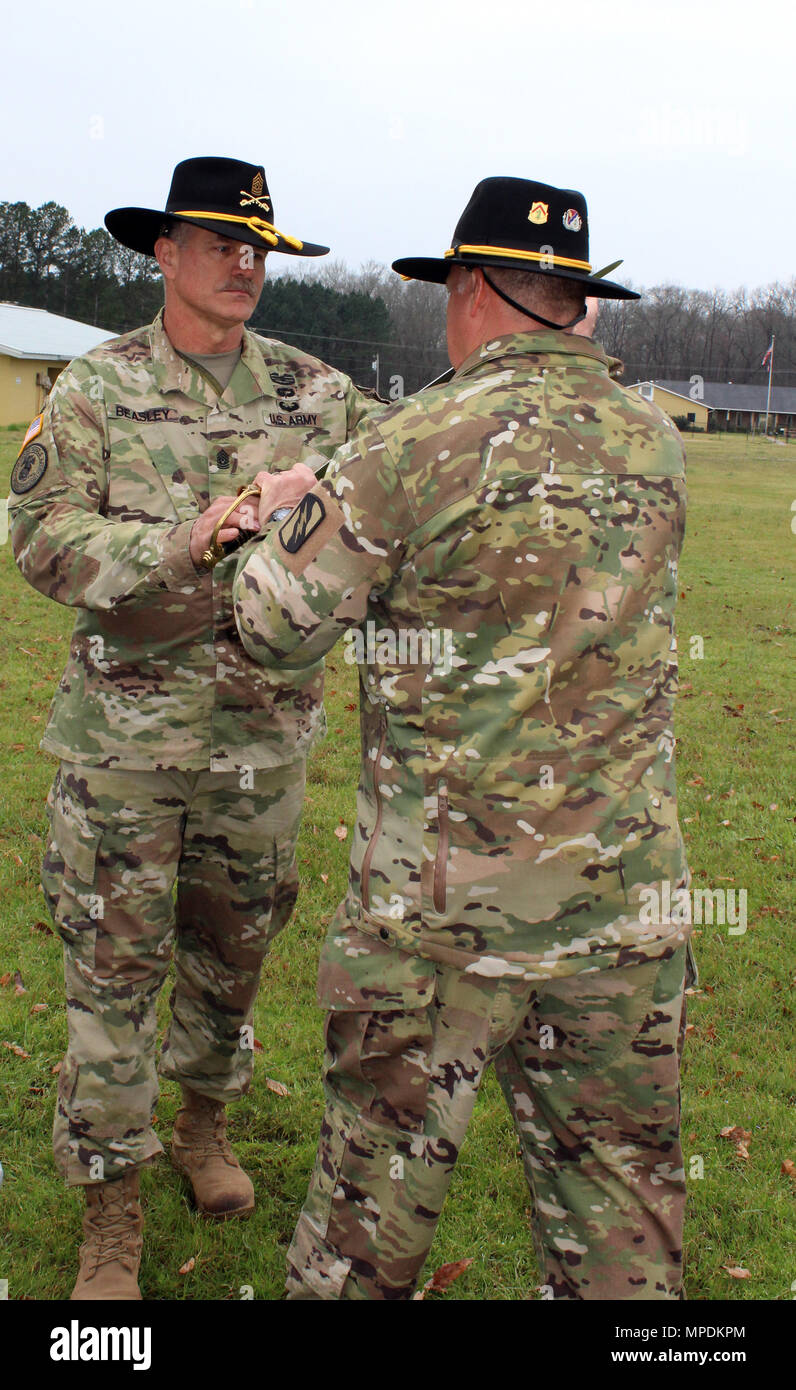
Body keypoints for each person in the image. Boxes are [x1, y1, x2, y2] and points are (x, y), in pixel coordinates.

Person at [232, 176, 695, 1301]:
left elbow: (270, 630)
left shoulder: (410, 443)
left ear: (476, 289)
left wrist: (290, 511)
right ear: (571, 298)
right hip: (620, 915)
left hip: (436, 923)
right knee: (622, 1228)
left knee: (364, 1228)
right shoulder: (653, 442)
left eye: (449, 290)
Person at [10, 156, 378, 1301]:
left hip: (260, 747)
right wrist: (192, 538)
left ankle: (202, 1128)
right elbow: (43, 541)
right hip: (124, 750)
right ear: (162, 254)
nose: (243, 262)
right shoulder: (96, 390)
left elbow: (403, 485)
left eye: (256, 244)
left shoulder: (320, 395)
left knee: (232, 962)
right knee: (112, 978)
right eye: (218, 241)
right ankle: (108, 1216)